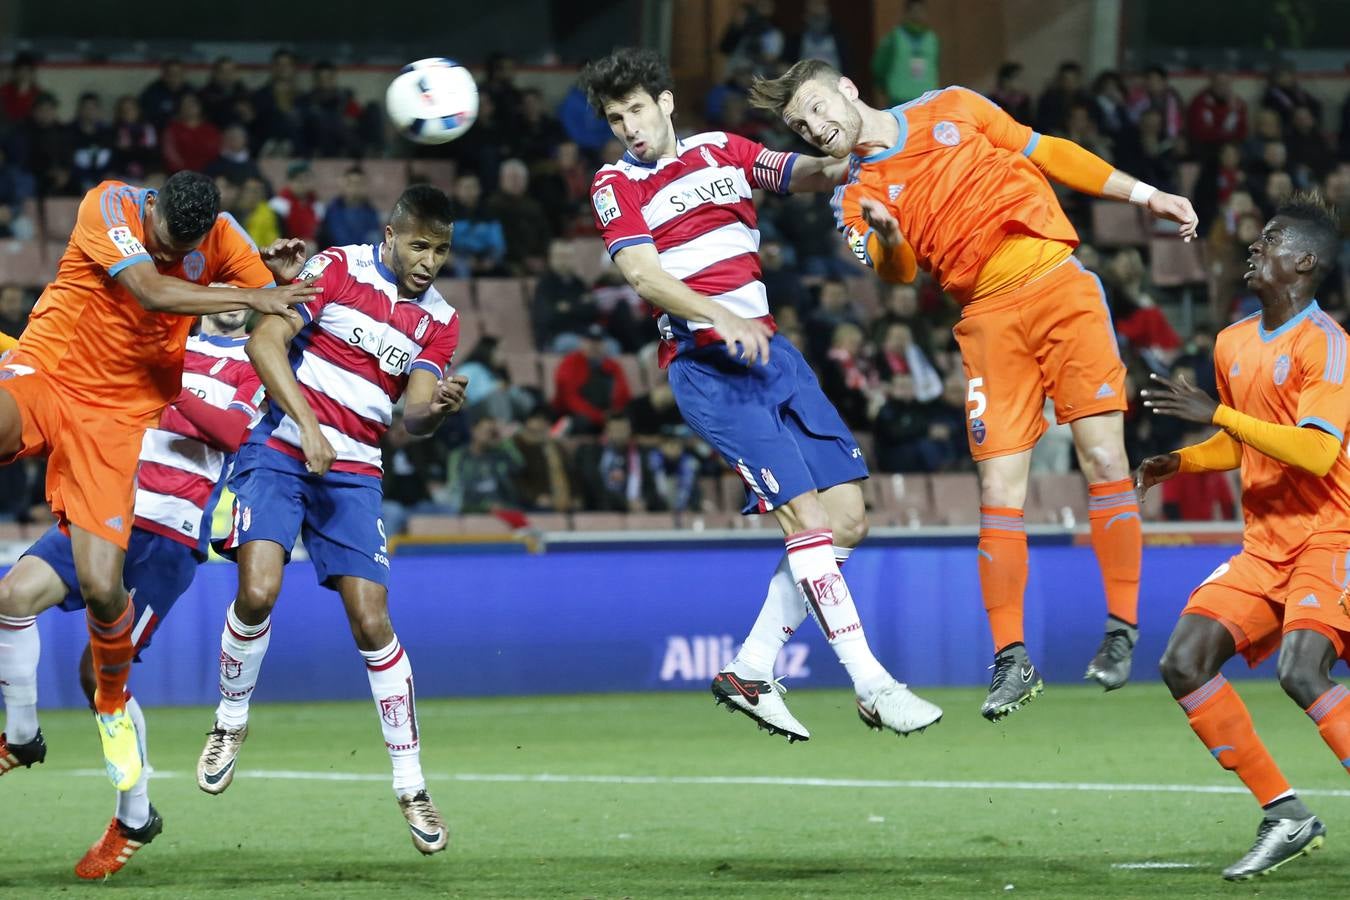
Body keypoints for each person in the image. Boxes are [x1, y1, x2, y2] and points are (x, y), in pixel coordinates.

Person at [747, 59, 1199, 718]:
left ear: (847, 87)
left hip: (1058, 284)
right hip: (986, 319)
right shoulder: (853, 197)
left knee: (1103, 457)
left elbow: (1047, 152)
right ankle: (1011, 657)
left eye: (816, 108)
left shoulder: (953, 104)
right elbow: (899, 275)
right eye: (799, 126)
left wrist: (1145, 195)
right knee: (997, 489)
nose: (814, 129)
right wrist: (893, 236)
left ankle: (1121, 630)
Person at [578, 47, 942, 742]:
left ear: (666, 104)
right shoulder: (613, 183)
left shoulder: (722, 148)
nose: (628, 127)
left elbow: (806, 172)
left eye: (635, 110)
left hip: (770, 354)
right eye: (615, 117)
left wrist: (853, 139)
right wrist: (720, 316)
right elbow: (646, 278)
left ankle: (751, 667)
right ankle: (872, 681)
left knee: (847, 517)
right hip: (708, 363)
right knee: (805, 518)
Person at [0, 172, 312, 792]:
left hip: (117, 420)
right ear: (153, 206)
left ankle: (111, 706)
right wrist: (254, 297)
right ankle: (20, 729)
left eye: (184, 247)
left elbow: (290, 309)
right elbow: (148, 287)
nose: (172, 253)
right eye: (164, 237)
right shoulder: (109, 205)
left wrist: (279, 289)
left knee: (99, 587)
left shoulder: (223, 241)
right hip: (51, 370)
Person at [196, 185, 467, 856]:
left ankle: (411, 784)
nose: (429, 261)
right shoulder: (337, 269)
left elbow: (414, 415)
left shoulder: (441, 321)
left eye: (441, 250)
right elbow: (265, 343)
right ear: (391, 235)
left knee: (372, 621)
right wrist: (310, 429)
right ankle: (231, 721)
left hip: (356, 471)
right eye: (419, 245)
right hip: (283, 446)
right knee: (257, 590)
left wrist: (440, 409)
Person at [0, 309, 260, 879]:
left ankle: (133, 817)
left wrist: (166, 390)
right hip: (105, 505)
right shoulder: (164, 345)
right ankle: (19, 737)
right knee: (12, 597)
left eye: (242, 288)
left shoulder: (255, 360)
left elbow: (232, 433)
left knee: (98, 677)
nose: (231, 299)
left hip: (166, 537)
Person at [1138, 193, 1349, 881]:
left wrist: (1219, 414)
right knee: (1184, 660)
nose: (1256, 247)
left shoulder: (1328, 345)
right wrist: (1184, 460)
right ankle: (1286, 815)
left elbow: (1316, 453)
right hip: (1265, 546)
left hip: (1331, 535)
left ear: (1306, 262)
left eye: (1273, 239)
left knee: (1301, 670)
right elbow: (1243, 446)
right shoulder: (1233, 342)